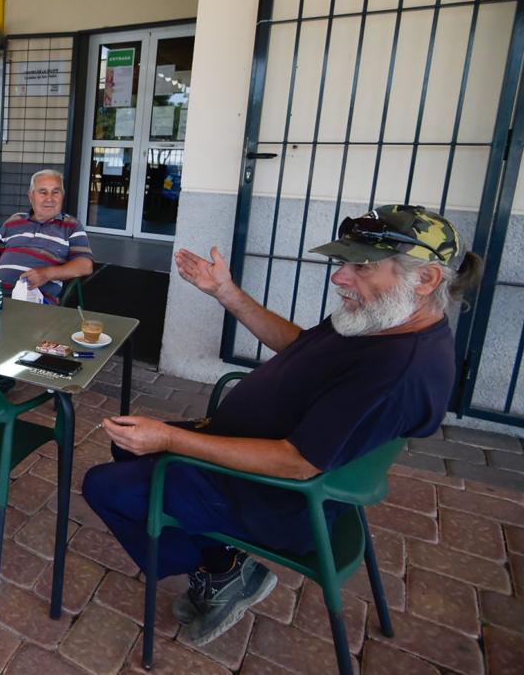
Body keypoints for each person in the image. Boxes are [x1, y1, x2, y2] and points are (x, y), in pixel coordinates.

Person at [81, 204, 482, 647]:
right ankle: (224, 565)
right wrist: (227, 293)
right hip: (253, 456)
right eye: (344, 263)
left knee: (104, 486)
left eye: (363, 267)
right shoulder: (382, 320)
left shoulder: (399, 371)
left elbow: (298, 464)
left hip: (277, 497)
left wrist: (172, 437)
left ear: (425, 279)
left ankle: (219, 574)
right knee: (127, 447)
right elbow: (299, 347)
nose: (340, 278)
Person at [0, 169, 93, 304]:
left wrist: (47, 274)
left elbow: (85, 265)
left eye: (55, 192)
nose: (49, 198)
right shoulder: (14, 220)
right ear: (31, 196)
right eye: (43, 192)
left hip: (36, 302)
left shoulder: (71, 226)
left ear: (62, 195)